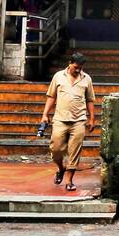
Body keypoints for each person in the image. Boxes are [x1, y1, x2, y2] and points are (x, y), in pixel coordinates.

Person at [40, 52, 96, 193]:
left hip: (79, 120)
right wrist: (45, 114)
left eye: (80, 68)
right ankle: (60, 168)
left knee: (74, 151)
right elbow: (51, 97)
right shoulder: (58, 76)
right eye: (76, 67)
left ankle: (69, 181)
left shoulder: (86, 79)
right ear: (69, 63)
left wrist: (92, 118)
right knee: (56, 149)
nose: (78, 70)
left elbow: (90, 100)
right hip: (60, 119)